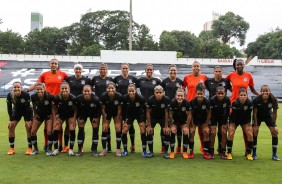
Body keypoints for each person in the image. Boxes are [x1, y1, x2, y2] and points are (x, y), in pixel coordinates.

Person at [28, 58, 68, 152]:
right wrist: (27, 90)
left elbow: (69, 85)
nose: (53, 65)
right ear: (49, 65)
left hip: (59, 102)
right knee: (47, 127)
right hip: (47, 103)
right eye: (52, 63)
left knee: (58, 124)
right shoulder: (44, 75)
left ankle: (60, 145)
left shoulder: (63, 74)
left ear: (58, 65)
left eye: (55, 63)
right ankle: (47, 145)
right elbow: (37, 84)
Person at [226, 59, 259, 155]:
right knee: (231, 129)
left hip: (245, 105)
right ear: (235, 66)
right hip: (233, 105)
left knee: (247, 130)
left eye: (241, 64)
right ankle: (228, 151)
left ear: (244, 65)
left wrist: (259, 95)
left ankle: (247, 150)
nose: (239, 66)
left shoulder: (248, 75)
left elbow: (252, 89)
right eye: (237, 64)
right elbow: (226, 84)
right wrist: (233, 92)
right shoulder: (231, 75)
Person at [63, 63, 91, 153]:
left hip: (81, 105)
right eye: (76, 69)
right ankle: (66, 146)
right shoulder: (69, 79)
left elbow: (90, 90)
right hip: (70, 105)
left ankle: (80, 146)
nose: (78, 70)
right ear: (74, 70)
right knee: (68, 125)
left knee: (80, 126)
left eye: (79, 69)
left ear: (82, 70)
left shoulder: (86, 80)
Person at [205, 66, 231, 154]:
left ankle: (221, 149)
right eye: (216, 71)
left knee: (222, 131)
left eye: (219, 71)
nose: (218, 73)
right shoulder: (209, 81)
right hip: (212, 109)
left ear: (222, 72)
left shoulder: (226, 81)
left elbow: (231, 89)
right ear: (214, 72)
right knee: (212, 131)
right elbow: (205, 88)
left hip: (223, 110)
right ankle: (210, 149)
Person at [183, 61, 208, 154]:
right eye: (194, 66)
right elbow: (182, 89)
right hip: (190, 106)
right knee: (190, 129)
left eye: (197, 66)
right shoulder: (187, 77)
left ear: (200, 67)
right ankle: (186, 149)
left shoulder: (204, 77)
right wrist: (185, 100)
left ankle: (203, 147)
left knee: (202, 130)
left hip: (201, 107)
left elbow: (209, 88)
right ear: (192, 67)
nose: (196, 68)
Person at [136, 64, 162, 152]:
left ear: (153, 71)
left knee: (150, 128)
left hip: (153, 108)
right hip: (142, 108)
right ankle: (144, 149)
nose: (149, 71)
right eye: (148, 70)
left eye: (151, 70)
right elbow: (132, 88)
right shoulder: (140, 80)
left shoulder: (157, 81)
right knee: (143, 128)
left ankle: (151, 149)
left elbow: (161, 92)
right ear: (145, 70)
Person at [114, 63, 138, 153]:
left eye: (126, 68)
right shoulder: (117, 79)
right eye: (123, 68)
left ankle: (132, 145)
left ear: (129, 69)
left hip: (131, 105)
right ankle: (120, 147)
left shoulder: (133, 79)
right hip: (121, 105)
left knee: (130, 126)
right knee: (120, 126)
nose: (124, 69)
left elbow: (140, 85)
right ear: (121, 69)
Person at [252, 85, 280, 161]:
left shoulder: (273, 99)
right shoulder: (256, 99)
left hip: (268, 115)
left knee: (274, 132)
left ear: (269, 91)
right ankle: (254, 154)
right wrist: (255, 126)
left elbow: (274, 113)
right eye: (263, 91)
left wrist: (274, 125)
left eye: (266, 91)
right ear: (260, 92)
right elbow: (254, 113)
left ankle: (274, 154)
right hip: (258, 116)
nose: (265, 92)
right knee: (255, 132)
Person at [161, 64, 183, 154]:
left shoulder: (180, 82)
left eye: (174, 70)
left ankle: (178, 147)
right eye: (171, 70)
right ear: (168, 71)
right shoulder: (164, 81)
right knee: (165, 127)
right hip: (167, 107)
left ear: (176, 71)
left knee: (177, 127)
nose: (173, 72)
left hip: (177, 108)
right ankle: (164, 147)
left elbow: (182, 93)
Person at [226, 88, 254, 161]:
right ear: (238, 96)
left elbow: (248, 115)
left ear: (247, 95)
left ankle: (249, 153)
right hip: (234, 120)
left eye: (244, 95)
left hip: (245, 120)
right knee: (231, 132)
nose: (243, 96)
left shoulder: (250, 103)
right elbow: (233, 115)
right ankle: (229, 153)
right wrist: (232, 125)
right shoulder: (235, 103)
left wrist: (247, 125)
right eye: (241, 95)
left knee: (250, 133)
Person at [92, 63, 114, 152]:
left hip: (107, 105)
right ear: (99, 69)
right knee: (96, 125)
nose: (102, 70)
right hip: (97, 105)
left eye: (104, 69)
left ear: (107, 70)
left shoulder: (110, 79)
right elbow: (90, 88)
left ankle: (108, 146)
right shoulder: (95, 79)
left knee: (106, 125)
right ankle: (94, 146)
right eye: (101, 69)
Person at [7, 81, 33, 155]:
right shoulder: (10, 95)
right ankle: (12, 148)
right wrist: (11, 119)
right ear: (13, 88)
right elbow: (9, 108)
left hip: (27, 110)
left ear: (21, 88)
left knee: (28, 127)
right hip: (17, 110)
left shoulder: (26, 94)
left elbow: (28, 107)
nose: (16, 89)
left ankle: (30, 148)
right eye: (15, 87)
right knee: (11, 127)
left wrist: (28, 120)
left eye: (18, 87)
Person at [51, 82, 77, 156]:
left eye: (66, 88)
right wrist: (55, 118)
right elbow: (53, 108)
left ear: (69, 89)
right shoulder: (57, 98)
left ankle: (71, 149)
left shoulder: (73, 98)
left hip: (70, 114)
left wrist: (74, 118)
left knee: (72, 128)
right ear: (60, 89)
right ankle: (56, 149)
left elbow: (75, 109)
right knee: (56, 127)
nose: (64, 90)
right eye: (62, 88)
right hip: (61, 114)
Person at [121, 84, 147, 157]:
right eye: (129, 91)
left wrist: (144, 120)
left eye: (132, 91)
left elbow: (145, 110)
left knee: (142, 130)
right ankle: (125, 150)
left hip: (139, 115)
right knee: (124, 130)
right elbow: (123, 110)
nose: (131, 92)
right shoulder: (125, 98)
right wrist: (124, 120)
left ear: (135, 91)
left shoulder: (141, 98)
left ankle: (144, 151)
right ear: (127, 91)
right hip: (129, 115)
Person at [75, 85, 101, 156]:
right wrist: (77, 118)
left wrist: (96, 118)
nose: (86, 92)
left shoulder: (96, 99)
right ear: (82, 91)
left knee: (95, 129)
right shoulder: (78, 99)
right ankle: (80, 149)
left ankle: (94, 149)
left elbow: (99, 110)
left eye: (88, 91)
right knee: (80, 129)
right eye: (85, 91)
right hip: (82, 113)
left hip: (94, 114)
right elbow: (76, 109)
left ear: (91, 91)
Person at [146, 85, 171, 158]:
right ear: (154, 93)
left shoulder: (166, 99)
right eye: (157, 92)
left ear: (163, 92)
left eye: (160, 92)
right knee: (149, 131)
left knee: (166, 132)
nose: (159, 94)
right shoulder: (150, 99)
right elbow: (148, 113)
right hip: (153, 117)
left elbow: (166, 113)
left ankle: (166, 152)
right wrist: (149, 126)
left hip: (162, 117)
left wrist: (166, 126)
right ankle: (150, 151)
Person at [99, 82, 123, 157]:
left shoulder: (119, 96)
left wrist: (118, 121)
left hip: (116, 113)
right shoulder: (103, 96)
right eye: (109, 88)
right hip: (107, 113)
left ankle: (118, 150)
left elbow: (119, 109)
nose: (110, 89)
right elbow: (102, 109)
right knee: (104, 129)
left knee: (118, 129)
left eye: (112, 88)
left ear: (115, 89)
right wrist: (105, 120)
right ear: (106, 89)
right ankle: (104, 150)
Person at [30, 82, 54, 155]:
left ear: (44, 89)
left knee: (49, 131)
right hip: (39, 115)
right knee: (32, 132)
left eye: (41, 89)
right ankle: (36, 149)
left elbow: (54, 107)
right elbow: (34, 106)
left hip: (48, 115)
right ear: (35, 90)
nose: (39, 91)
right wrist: (35, 114)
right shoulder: (33, 97)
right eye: (37, 89)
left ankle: (49, 149)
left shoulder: (50, 96)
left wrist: (53, 116)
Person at [189, 83, 211, 159]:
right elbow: (190, 114)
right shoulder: (192, 102)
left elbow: (209, 114)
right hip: (194, 120)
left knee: (206, 132)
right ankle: (191, 152)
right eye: (198, 94)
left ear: (204, 93)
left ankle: (205, 152)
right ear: (196, 93)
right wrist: (192, 126)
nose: (200, 95)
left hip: (203, 120)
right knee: (192, 132)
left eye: (201, 94)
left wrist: (207, 126)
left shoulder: (207, 102)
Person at [209, 86, 230, 159]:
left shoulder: (227, 99)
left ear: (225, 93)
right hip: (213, 117)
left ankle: (223, 152)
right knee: (213, 132)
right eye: (219, 93)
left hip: (223, 117)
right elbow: (210, 113)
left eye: (222, 93)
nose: (220, 95)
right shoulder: (212, 100)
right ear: (216, 93)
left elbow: (227, 112)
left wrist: (226, 122)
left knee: (224, 132)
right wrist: (210, 123)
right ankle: (211, 152)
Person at [169, 88, 191, 159]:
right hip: (175, 121)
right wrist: (172, 125)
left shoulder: (187, 103)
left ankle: (184, 151)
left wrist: (187, 126)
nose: (180, 97)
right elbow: (170, 115)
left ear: (184, 96)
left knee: (185, 132)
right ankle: (172, 151)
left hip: (183, 121)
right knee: (173, 131)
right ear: (175, 96)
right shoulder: (172, 102)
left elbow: (189, 115)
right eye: (178, 96)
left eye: (182, 96)